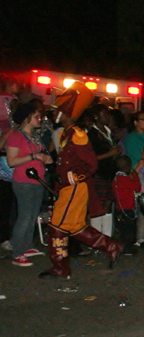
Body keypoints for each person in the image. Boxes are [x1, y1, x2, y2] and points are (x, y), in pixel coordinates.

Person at [39, 82, 123, 279]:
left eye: (58, 111)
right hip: (69, 187)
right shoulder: (67, 134)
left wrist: (71, 177)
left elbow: (91, 164)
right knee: (75, 226)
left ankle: (61, 268)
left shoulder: (77, 135)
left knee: (57, 225)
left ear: (66, 113)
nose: (54, 114)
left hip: (74, 187)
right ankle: (112, 246)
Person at [5, 102, 53, 266]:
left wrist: (46, 158)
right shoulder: (16, 136)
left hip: (38, 180)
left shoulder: (34, 136)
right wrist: (34, 157)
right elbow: (12, 161)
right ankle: (17, 253)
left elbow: (42, 155)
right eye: (36, 116)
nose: (40, 119)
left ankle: (26, 246)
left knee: (33, 216)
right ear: (27, 118)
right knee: (24, 217)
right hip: (23, 182)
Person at [87, 104, 121, 238]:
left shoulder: (107, 131)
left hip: (109, 173)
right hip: (98, 173)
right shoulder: (92, 134)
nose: (107, 117)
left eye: (108, 114)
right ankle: (97, 239)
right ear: (96, 117)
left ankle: (106, 238)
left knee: (108, 205)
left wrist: (116, 152)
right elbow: (90, 157)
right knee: (98, 206)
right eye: (104, 114)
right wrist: (110, 153)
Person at [112, 155, 140, 255]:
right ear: (128, 167)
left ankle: (121, 248)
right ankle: (127, 249)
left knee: (122, 230)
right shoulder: (126, 179)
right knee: (129, 230)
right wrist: (135, 176)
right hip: (127, 208)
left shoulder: (116, 178)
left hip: (119, 208)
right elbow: (137, 188)